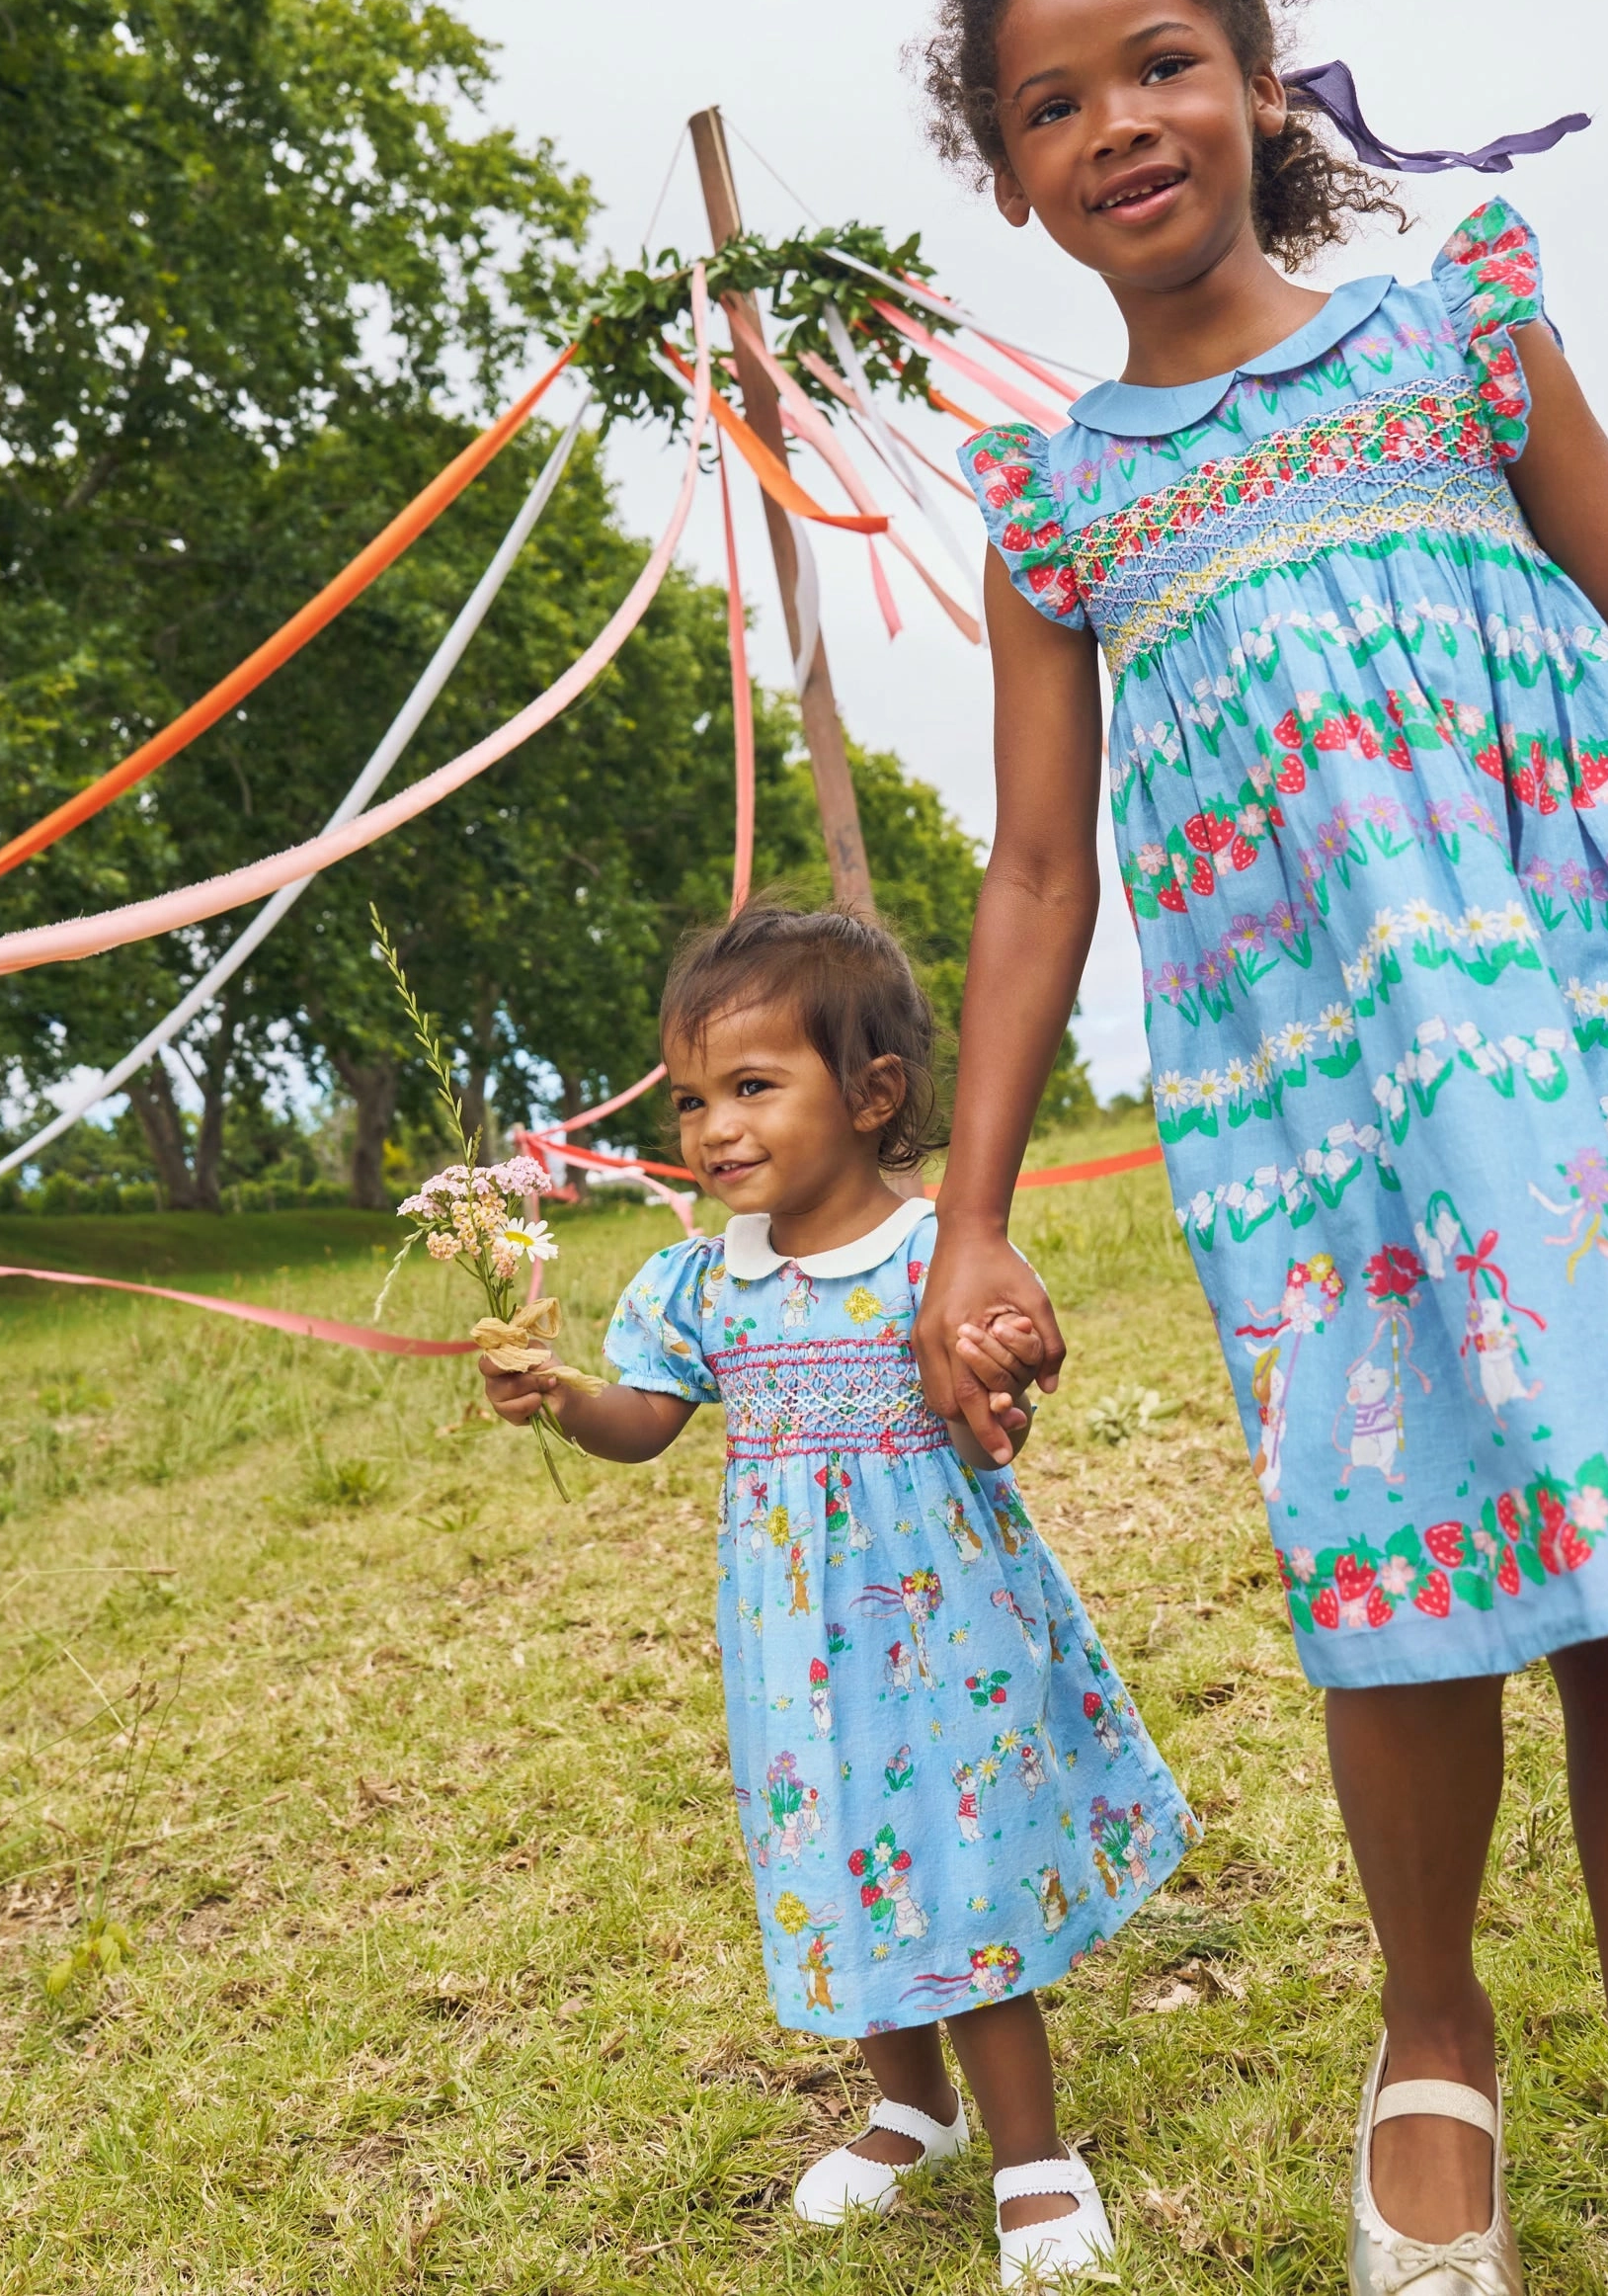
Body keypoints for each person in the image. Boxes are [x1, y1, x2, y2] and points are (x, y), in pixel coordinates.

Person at [911, 0, 1608, 2296]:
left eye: (1160, 63)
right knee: (1390, 1585)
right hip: (1316, 1115)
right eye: (1055, 105)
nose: (1122, 127)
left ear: (1258, 73)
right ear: (1010, 178)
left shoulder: (1457, 340)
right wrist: (966, 1213)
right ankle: (1433, 2035)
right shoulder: (1060, 507)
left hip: (1596, 1046)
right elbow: (1031, 877)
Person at [481, 903, 1194, 2287]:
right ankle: (909, 2104)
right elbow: (646, 1420)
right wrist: (565, 1395)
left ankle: (1031, 2150)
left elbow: (1007, 1388)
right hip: (793, 1651)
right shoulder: (701, 1282)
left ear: (871, 1096)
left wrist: (1012, 1363)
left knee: (961, 1869)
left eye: (753, 1086)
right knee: (847, 1860)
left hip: (946, 1632)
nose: (714, 1127)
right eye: (692, 1098)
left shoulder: (936, 1255)